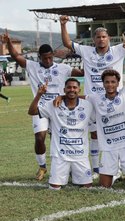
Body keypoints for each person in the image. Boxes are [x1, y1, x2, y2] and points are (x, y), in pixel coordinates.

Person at [59, 13, 125, 178]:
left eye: (104, 36)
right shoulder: (87, 51)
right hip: (94, 100)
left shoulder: (118, 50)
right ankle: (97, 169)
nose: (101, 39)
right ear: (94, 39)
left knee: (122, 131)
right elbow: (67, 43)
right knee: (95, 133)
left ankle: (121, 168)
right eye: (98, 37)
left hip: (116, 99)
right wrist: (63, 25)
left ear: (108, 38)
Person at [1, 31, 83, 181]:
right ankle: (42, 166)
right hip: (40, 109)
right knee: (39, 138)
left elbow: (82, 72)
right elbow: (16, 56)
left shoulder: (63, 68)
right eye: (45, 58)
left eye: (50, 57)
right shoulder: (32, 66)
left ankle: (68, 167)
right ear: (40, 57)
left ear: (53, 55)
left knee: (61, 139)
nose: (48, 60)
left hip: (59, 109)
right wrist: (8, 43)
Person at [87, 38, 125, 188]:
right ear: (103, 84)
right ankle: (114, 174)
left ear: (118, 83)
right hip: (108, 147)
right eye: (107, 82)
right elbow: (76, 96)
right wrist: (61, 96)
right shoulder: (95, 98)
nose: (110, 85)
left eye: (113, 82)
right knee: (104, 187)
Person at [28, 78, 93, 190]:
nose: (71, 89)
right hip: (60, 156)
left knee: (87, 186)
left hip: (80, 155)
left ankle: (73, 173)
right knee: (54, 187)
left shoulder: (88, 105)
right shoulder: (54, 104)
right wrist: (39, 95)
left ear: (79, 90)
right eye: (69, 87)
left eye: (74, 87)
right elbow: (32, 111)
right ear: (64, 89)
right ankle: (65, 173)